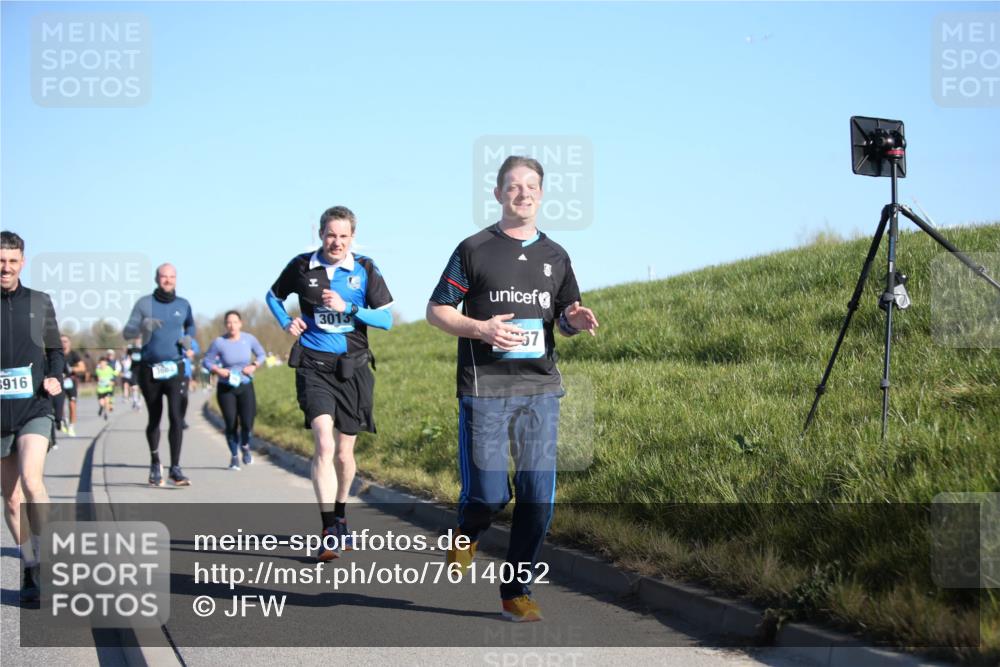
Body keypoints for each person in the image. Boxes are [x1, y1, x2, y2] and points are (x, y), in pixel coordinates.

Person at [426, 156, 598, 622]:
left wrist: (574, 320)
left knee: (538, 498)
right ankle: (468, 530)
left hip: (539, 389)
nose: (523, 193)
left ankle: (515, 591)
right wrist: (480, 329)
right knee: (488, 494)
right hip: (485, 389)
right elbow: (437, 310)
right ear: (499, 193)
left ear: (542, 195)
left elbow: (563, 315)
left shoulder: (556, 256)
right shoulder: (474, 249)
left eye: (531, 186)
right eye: (513, 186)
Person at [266, 206, 394, 561]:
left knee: (343, 452)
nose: (336, 242)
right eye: (330, 235)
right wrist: (286, 321)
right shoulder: (302, 266)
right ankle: (327, 529)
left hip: (352, 368)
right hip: (313, 364)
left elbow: (385, 320)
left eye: (343, 236)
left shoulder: (365, 268)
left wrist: (349, 308)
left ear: (352, 236)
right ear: (320, 234)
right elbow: (273, 296)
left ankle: (340, 514)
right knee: (323, 443)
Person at [0, 231, 64, 602]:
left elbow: (55, 350)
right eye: (1, 261)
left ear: (22, 261)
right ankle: (30, 565)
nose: (6, 268)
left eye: (12, 261)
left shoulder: (39, 303)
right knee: (9, 500)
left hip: (34, 407)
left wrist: (55, 376)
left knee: (31, 479)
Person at [123, 263, 196, 487]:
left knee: (176, 417)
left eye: (171, 277)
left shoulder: (183, 305)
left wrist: (189, 340)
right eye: (164, 276)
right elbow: (127, 332)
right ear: (156, 279)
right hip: (150, 369)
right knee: (155, 418)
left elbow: (191, 326)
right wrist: (143, 324)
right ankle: (155, 463)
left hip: (175, 368)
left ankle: (175, 468)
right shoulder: (144, 304)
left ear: (176, 279)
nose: (168, 280)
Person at [203, 311, 266, 470]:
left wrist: (254, 365)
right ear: (225, 325)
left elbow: (261, 354)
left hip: (245, 385)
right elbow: (207, 361)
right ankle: (234, 457)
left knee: (247, 422)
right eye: (229, 322)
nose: (232, 325)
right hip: (226, 387)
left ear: (241, 323)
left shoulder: (249, 339)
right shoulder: (219, 342)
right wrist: (218, 370)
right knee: (231, 423)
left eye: (235, 322)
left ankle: (245, 445)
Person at [53, 335, 84, 437]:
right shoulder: (56, 354)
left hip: (70, 382)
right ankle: (62, 419)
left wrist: (72, 369)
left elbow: (82, 367)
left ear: (69, 343)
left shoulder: (73, 354)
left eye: (65, 341)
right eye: (61, 341)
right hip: (59, 382)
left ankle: (71, 426)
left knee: (72, 404)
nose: (63, 343)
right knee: (59, 404)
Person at [94, 355, 119, 420]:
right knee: (101, 403)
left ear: (106, 363)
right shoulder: (97, 370)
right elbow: (96, 378)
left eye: (104, 363)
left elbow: (113, 376)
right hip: (100, 389)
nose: (102, 364)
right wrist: (98, 380)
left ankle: (105, 413)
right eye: (101, 363)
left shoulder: (109, 369)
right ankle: (101, 408)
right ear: (99, 363)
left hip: (108, 388)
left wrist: (112, 382)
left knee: (107, 401)